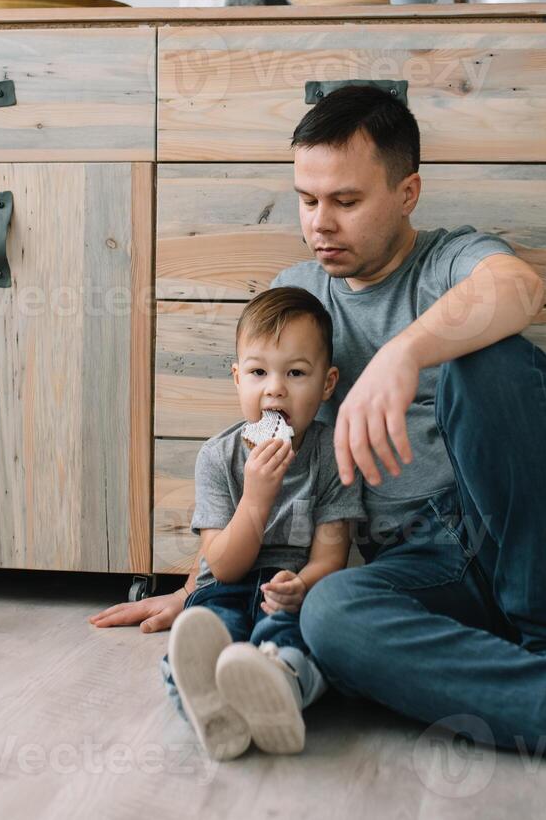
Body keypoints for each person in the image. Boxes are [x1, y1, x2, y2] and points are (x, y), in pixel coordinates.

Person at [93, 86, 546, 803]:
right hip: (422, 565)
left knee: (490, 362)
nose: (318, 225)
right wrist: (201, 585)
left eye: (345, 201)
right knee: (330, 616)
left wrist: (408, 352)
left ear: (407, 192)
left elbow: (519, 288)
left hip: (531, 540)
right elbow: (269, 450)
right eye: (306, 200)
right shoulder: (298, 294)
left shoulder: (449, 259)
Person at [159, 287, 365, 761]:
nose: (274, 388)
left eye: (295, 373)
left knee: (294, 640)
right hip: (224, 588)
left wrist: (302, 583)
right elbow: (224, 567)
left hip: (289, 591)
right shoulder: (218, 457)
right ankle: (209, 704)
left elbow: (330, 559)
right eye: (257, 372)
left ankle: (279, 689)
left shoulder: (333, 456)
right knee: (205, 631)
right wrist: (255, 498)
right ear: (237, 379)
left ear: (327, 384)